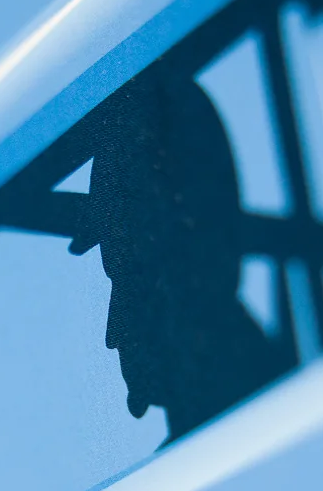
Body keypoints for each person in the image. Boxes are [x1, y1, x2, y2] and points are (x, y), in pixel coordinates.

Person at [66, 67, 293, 440]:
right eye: (117, 279)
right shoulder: (273, 412)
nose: (113, 331)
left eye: (134, 278)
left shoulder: (274, 428)